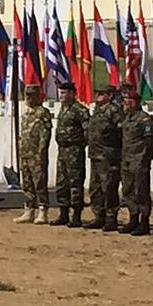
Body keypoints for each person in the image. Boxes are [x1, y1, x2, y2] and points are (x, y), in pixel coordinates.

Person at [12, 84, 53, 225]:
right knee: (27, 183)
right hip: (25, 154)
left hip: (36, 155)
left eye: (31, 96)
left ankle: (42, 211)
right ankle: (29, 210)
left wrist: (41, 153)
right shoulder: (26, 114)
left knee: (39, 183)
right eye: (27, 95)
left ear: (37, 96)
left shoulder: (42, 113)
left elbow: (45, 135)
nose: (28, 98)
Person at [51, 82, 90, 227]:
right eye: (60, 93)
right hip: (62, 150)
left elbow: (87, 131)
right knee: (62, 183)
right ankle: (63, 214)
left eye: (64, 93)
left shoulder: (79, 110)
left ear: (72, 94)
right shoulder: (63, 109)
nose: (61, 96)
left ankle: (76, 216)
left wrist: (79, 146)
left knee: (75, 182)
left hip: (74, 151)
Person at [84, 85, 123, 231]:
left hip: (108, 157)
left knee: (109, 188)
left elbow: (121, 132)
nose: (97, 96)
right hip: (95, 155)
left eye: (101, 94)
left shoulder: (114, 111)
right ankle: (99, 216)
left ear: (109, 95)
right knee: (95, 188)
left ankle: (111, 218)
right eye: (97, 93)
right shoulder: (97, 111)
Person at [119, 90, 153, 235]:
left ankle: (144, 222)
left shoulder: (144, 119)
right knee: (128, 191)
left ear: (135, 102)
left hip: (139, 160)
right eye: (124, 101)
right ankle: (133, 218)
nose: (125, 103)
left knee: (141, 191)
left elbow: (150, 140)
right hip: (127, 160)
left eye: (128, 101)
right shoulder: (127, 118)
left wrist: (145, 158)